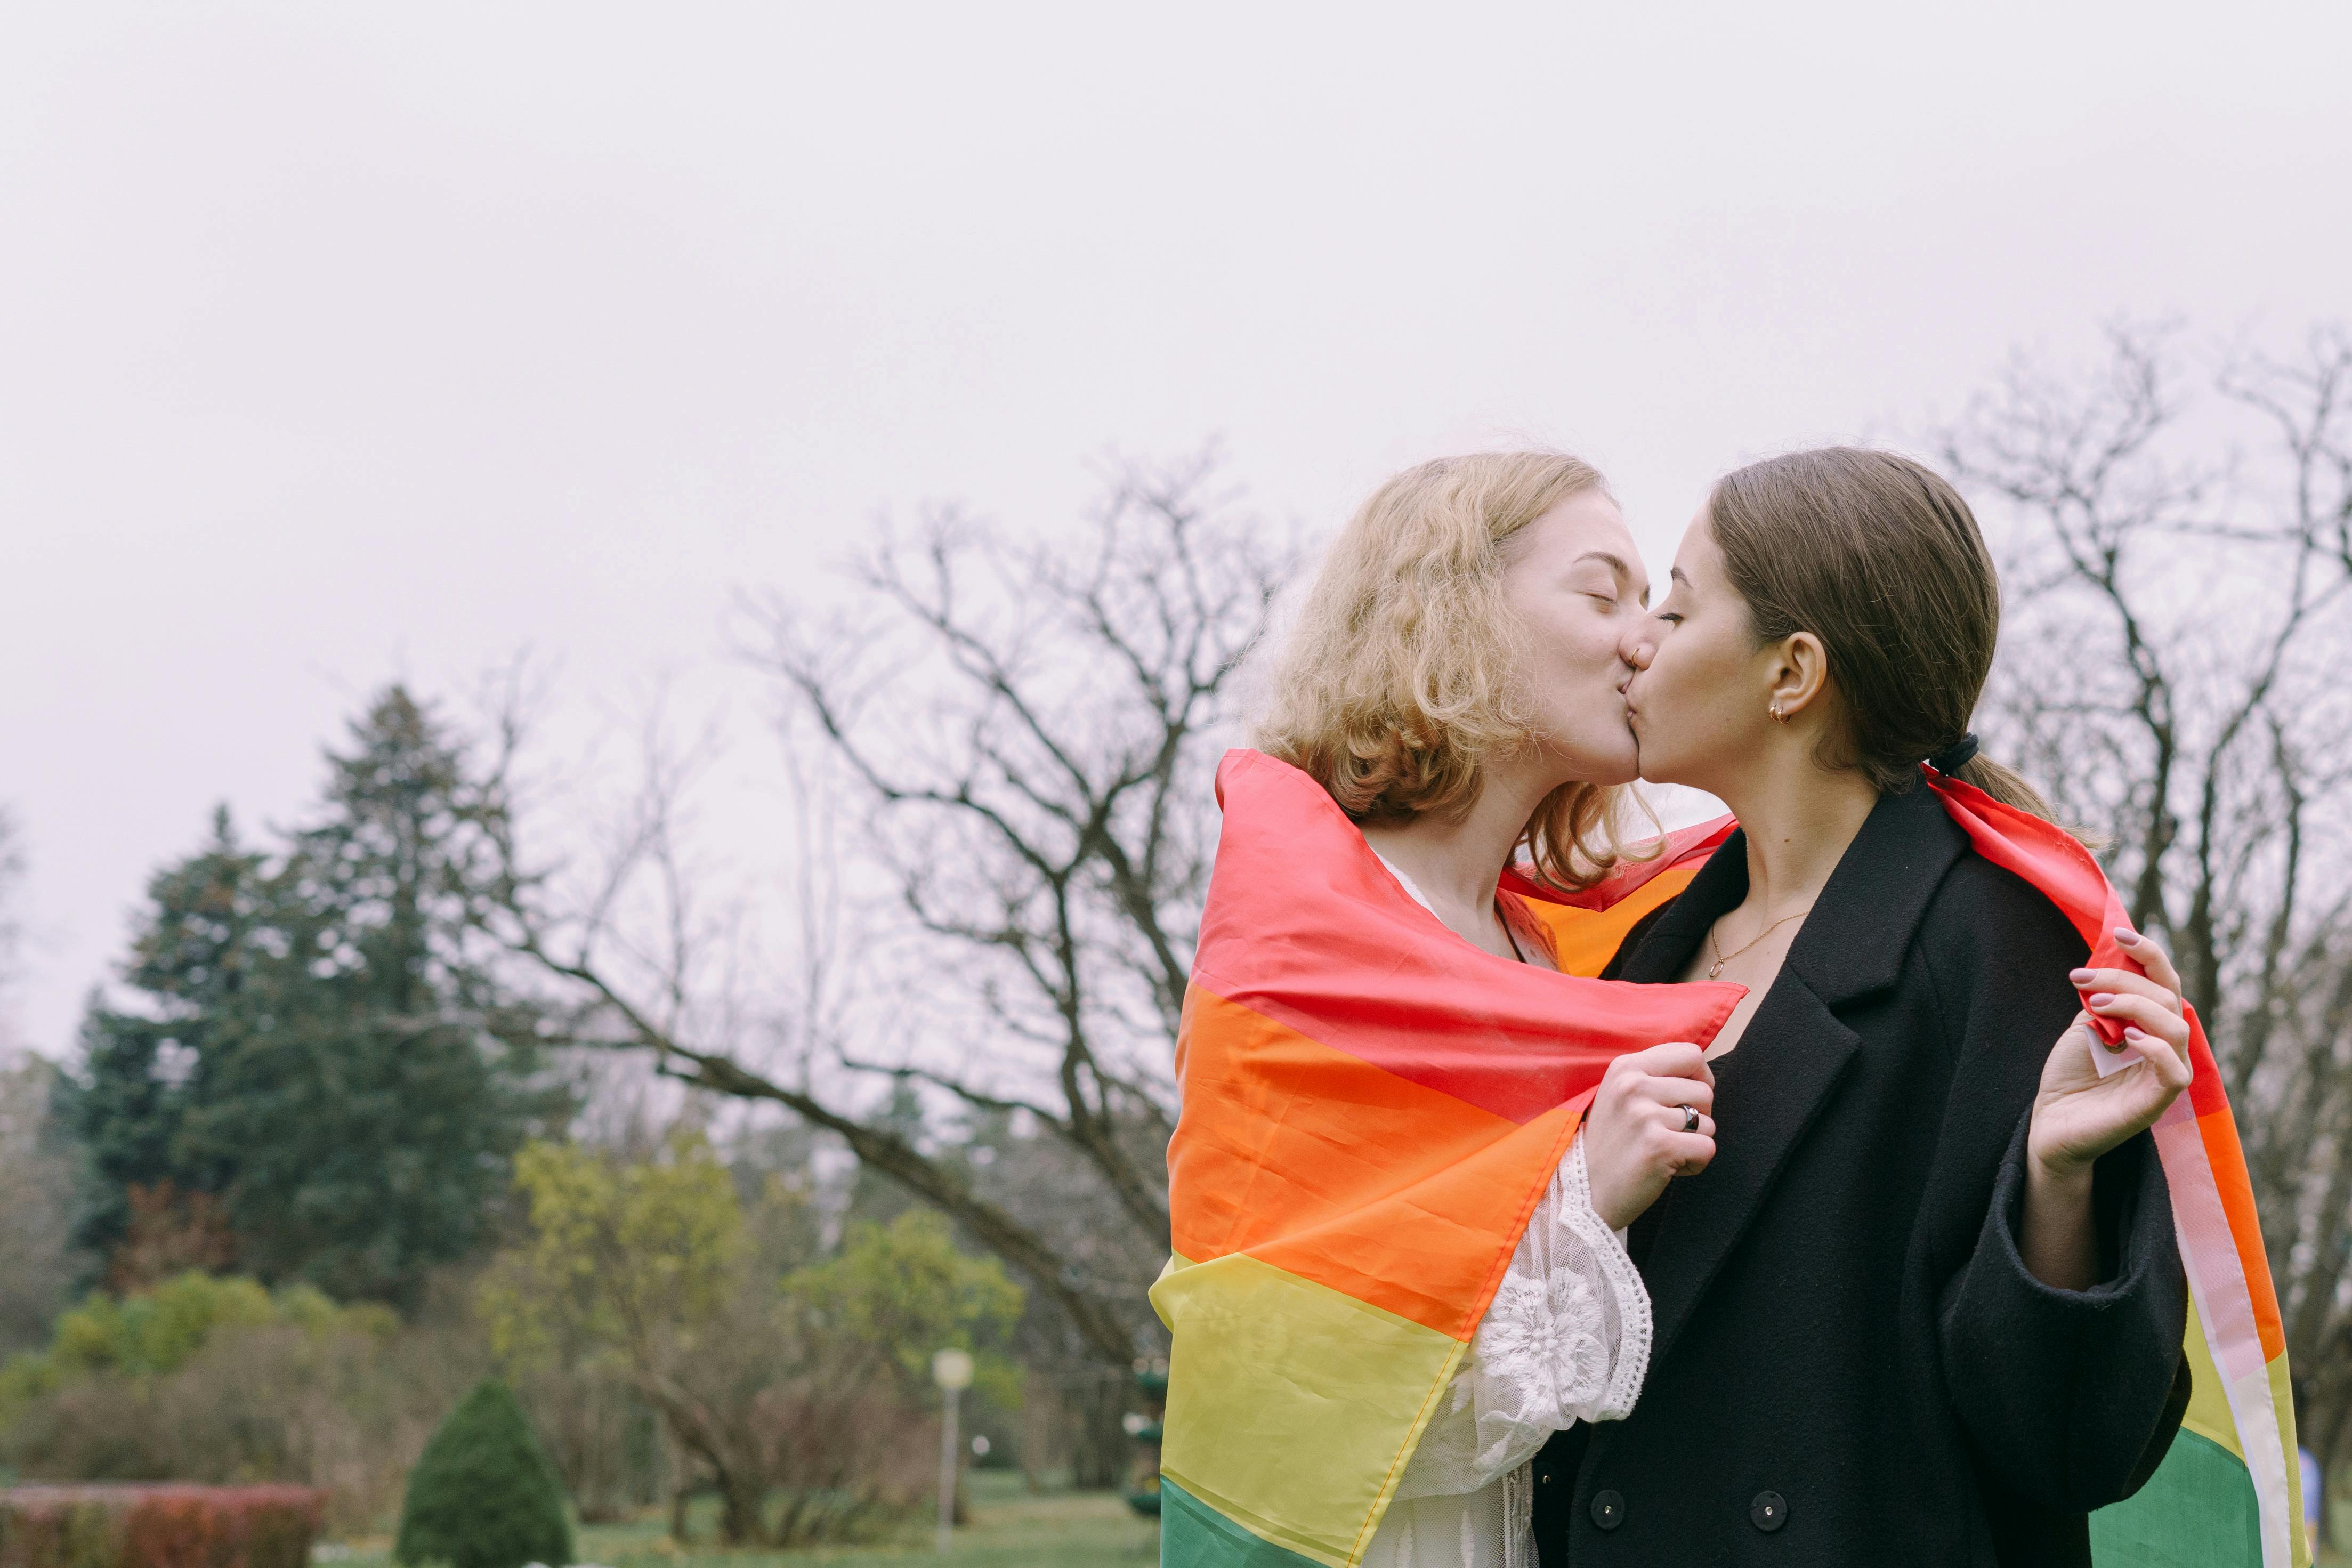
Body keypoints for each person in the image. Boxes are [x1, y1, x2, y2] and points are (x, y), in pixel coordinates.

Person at [1530, 448, 2195, 1565]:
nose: (1637, 639)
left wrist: (2055, 1179)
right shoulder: (1644, 951)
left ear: (1790, 672)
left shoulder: (1996, 938)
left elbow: (2076, 1447)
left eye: (1676, 608)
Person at [1249, 451, 1721, 1568]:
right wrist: (1585, 1203)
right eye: (1600, 593)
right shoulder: (1315, 931)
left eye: (1650, 604)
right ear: (1449, 614)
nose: (1641, 638)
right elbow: (1288, 1384)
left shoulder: (1550, 951)